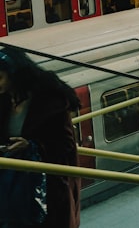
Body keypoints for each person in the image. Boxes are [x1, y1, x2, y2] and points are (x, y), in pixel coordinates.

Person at [0, 45, 82, 228]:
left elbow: (66, 146)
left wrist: (32, 147)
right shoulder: (5, 99)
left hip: (46, 189)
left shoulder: (50, 101)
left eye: (0, 77)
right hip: (13, 187)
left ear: (14, 75)